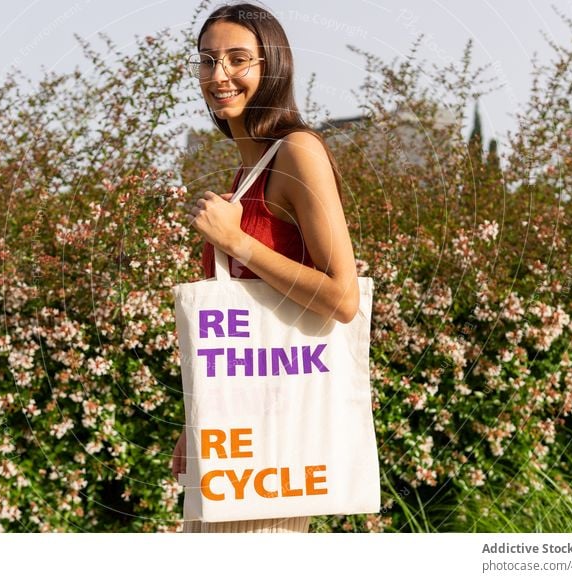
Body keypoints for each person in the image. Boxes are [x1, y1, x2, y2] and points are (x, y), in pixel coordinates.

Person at [173, 2, 360, 533]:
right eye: (207, 61)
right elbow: (230, 320)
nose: (219, 75)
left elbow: (341, 298)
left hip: (276, 432)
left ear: (272, 65)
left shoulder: (298, 152)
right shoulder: (245, 174)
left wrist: (237, 242)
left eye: (237, 59)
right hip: (231, 431)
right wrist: (197, 416)